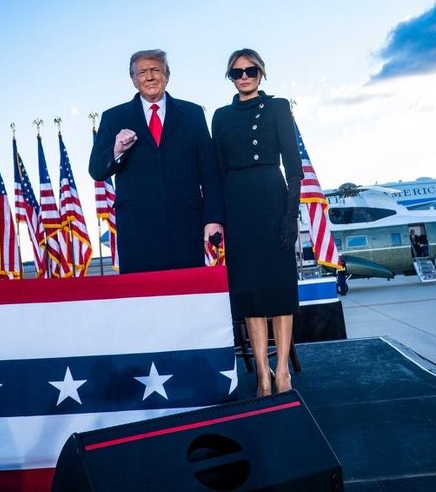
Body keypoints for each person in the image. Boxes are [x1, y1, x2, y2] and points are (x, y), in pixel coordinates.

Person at [211, 48, 304, 397]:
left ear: (262, 73)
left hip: (271, 197)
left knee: (278, 288)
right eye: (237, 72)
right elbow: (217, 173)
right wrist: (218, 220)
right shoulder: (220, 116)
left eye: (250, 70)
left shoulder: (278, 108)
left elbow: (293, 168)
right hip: (238, 206)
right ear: (230, 78)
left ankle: (282, 372)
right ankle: (262, 375)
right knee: (250, 294)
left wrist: (289, 216)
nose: (244, 76)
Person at [89, 49, 224, 273]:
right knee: (142, 300)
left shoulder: (192, 113)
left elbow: (209, 172)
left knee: (188, 296)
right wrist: (116, 149)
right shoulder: (113, 117)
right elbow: (96, 170)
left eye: (155, 70)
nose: (149, 77)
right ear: (133, 80)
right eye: (142, 72)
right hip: (137, 229)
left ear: (167, 75)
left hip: (186, 226)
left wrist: (213, 219)